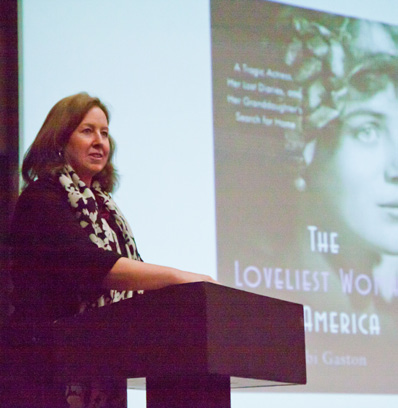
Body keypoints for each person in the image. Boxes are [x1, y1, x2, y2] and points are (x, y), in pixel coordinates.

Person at [6, 92, 217, 407]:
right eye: (87, 130)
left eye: (104, 133)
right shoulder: (40, 200)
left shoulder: (106, 210)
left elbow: (133, 274)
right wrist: (175, 276)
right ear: (59, 140)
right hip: (41, 372)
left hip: (102, 366)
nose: (99, 141)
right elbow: (87, 265)